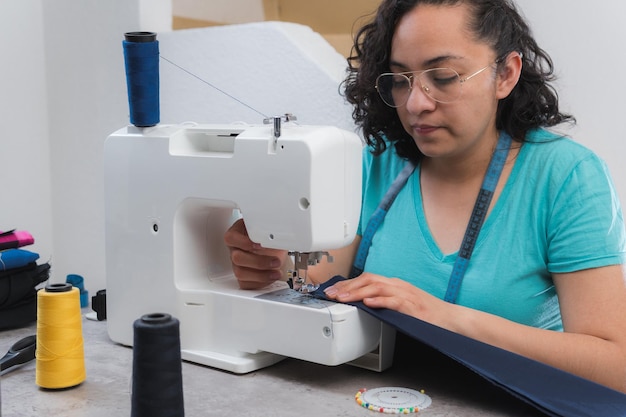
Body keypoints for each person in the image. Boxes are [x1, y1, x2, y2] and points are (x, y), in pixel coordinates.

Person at [224, 0, 626, 392]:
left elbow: (615, 367)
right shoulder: (377, 165)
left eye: (444, 77)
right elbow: (320, 278)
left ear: (505, 74)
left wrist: (440, 316)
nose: (415, 103)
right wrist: (273, 267)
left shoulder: (566, 177)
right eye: (400, 80)